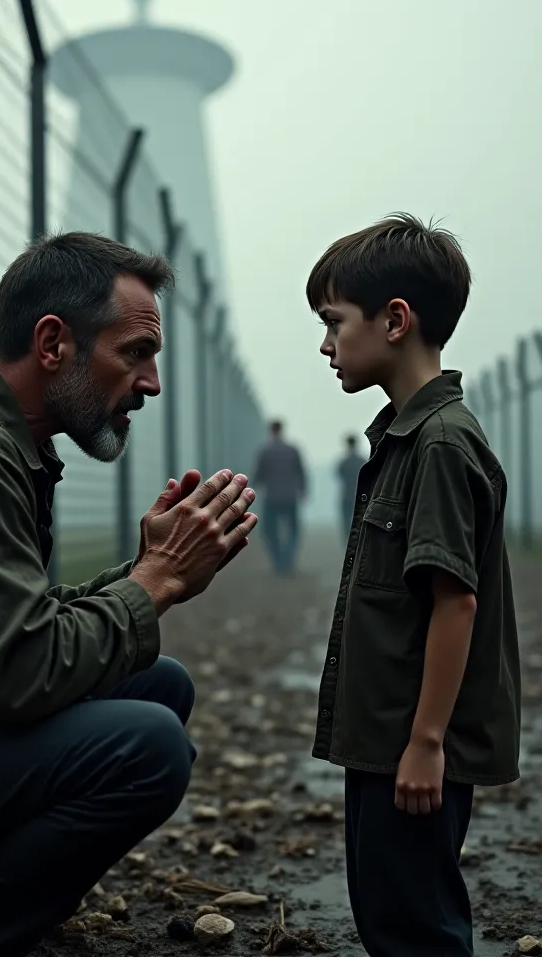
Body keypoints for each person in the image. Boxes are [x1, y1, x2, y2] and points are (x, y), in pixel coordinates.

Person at [0, 232, 258, 957]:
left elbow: (13, 631)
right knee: (149, 746)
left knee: (155, 685)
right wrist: (154, 582)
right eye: (135, 352)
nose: (152, 382)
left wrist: (141, 568)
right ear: (53, 344)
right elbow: (20, 675)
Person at [306, 213, 520, 957]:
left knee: (416, 929)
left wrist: (427, 742)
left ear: (395, 320)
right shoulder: (408, 437)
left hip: (410, 740)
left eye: (335, 322)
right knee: (388, 911)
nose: (326, 345)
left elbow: (454, 601)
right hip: (387, 737)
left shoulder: (440, 443)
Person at [253, 420, 308, 574]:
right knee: (293, 530)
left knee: (269, 531)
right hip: (290, 496)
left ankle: (278, 561)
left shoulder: (265, 451)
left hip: (271, 497)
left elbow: (258, 475)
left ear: (271, 431)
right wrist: (303, 490)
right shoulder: (292, 450)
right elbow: (301, 472)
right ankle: (288, 558)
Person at [336, 434, 365, 541]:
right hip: (360, 494)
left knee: (346, 520)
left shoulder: (344, 462)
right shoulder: (362, 460)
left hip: (347, 494)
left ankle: (348, 540)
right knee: (359, 518)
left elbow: (339, 475)